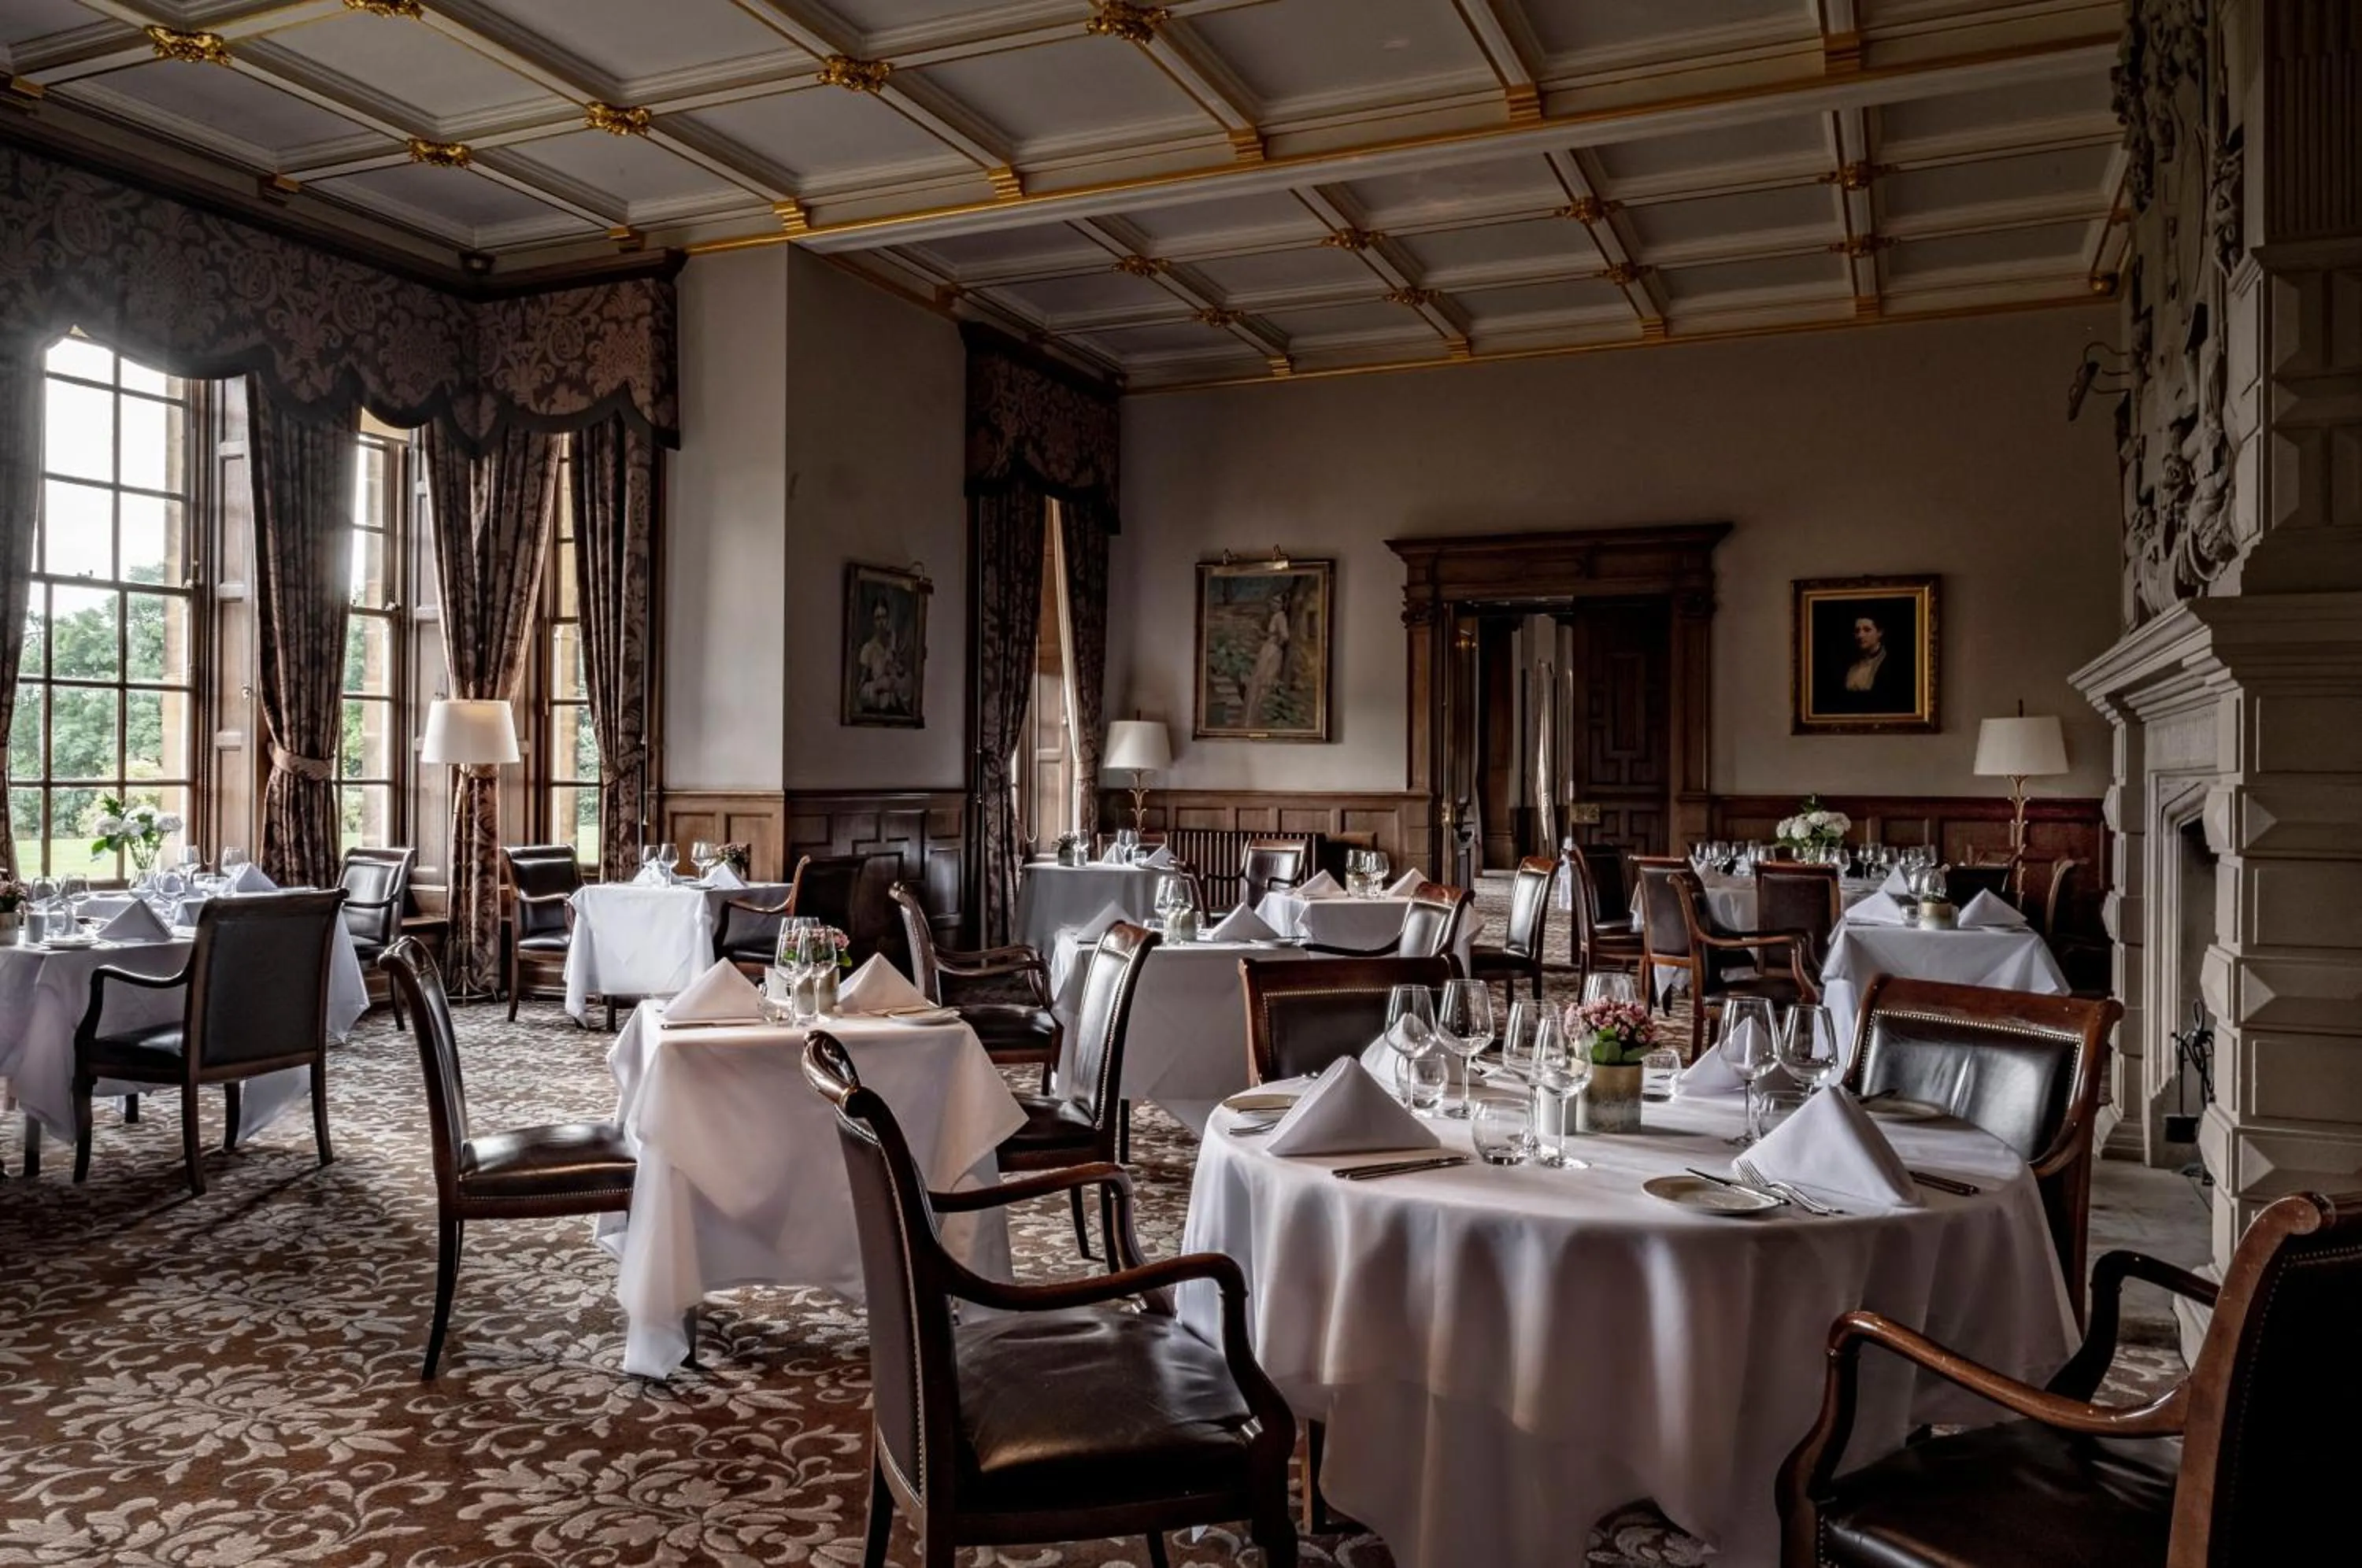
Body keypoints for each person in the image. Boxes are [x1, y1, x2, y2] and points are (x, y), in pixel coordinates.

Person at [1827, 610, 1913, 714]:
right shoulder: (1848, 664)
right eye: (1857, 631)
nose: (1860, 636)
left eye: (1867, 630)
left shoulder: (1891, 664)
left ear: (1880, 633)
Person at [1240, 587, 1291, 726]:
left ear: (1282, 605)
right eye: (1273, 601)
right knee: (1259, 680)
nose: (1274, 604)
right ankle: (1254, 719)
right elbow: (1272, 635)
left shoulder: (1280, 616)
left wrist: (1275, 645)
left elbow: (1285, 636)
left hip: (1272, 651)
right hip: (1268, 649)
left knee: (1266, 681)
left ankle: (1261, 717)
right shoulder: (1275, 616)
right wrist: (1262, 635)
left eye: (1277, 602)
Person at [857, 599, 910, 715]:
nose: (882, 623)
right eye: (878, 618)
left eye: (884, 617)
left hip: (894, 707)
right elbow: (859, 689)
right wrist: (877, 686)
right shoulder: (868, 649)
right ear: (873, 621)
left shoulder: (894, 643)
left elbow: (902, 674)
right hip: (876, 708)